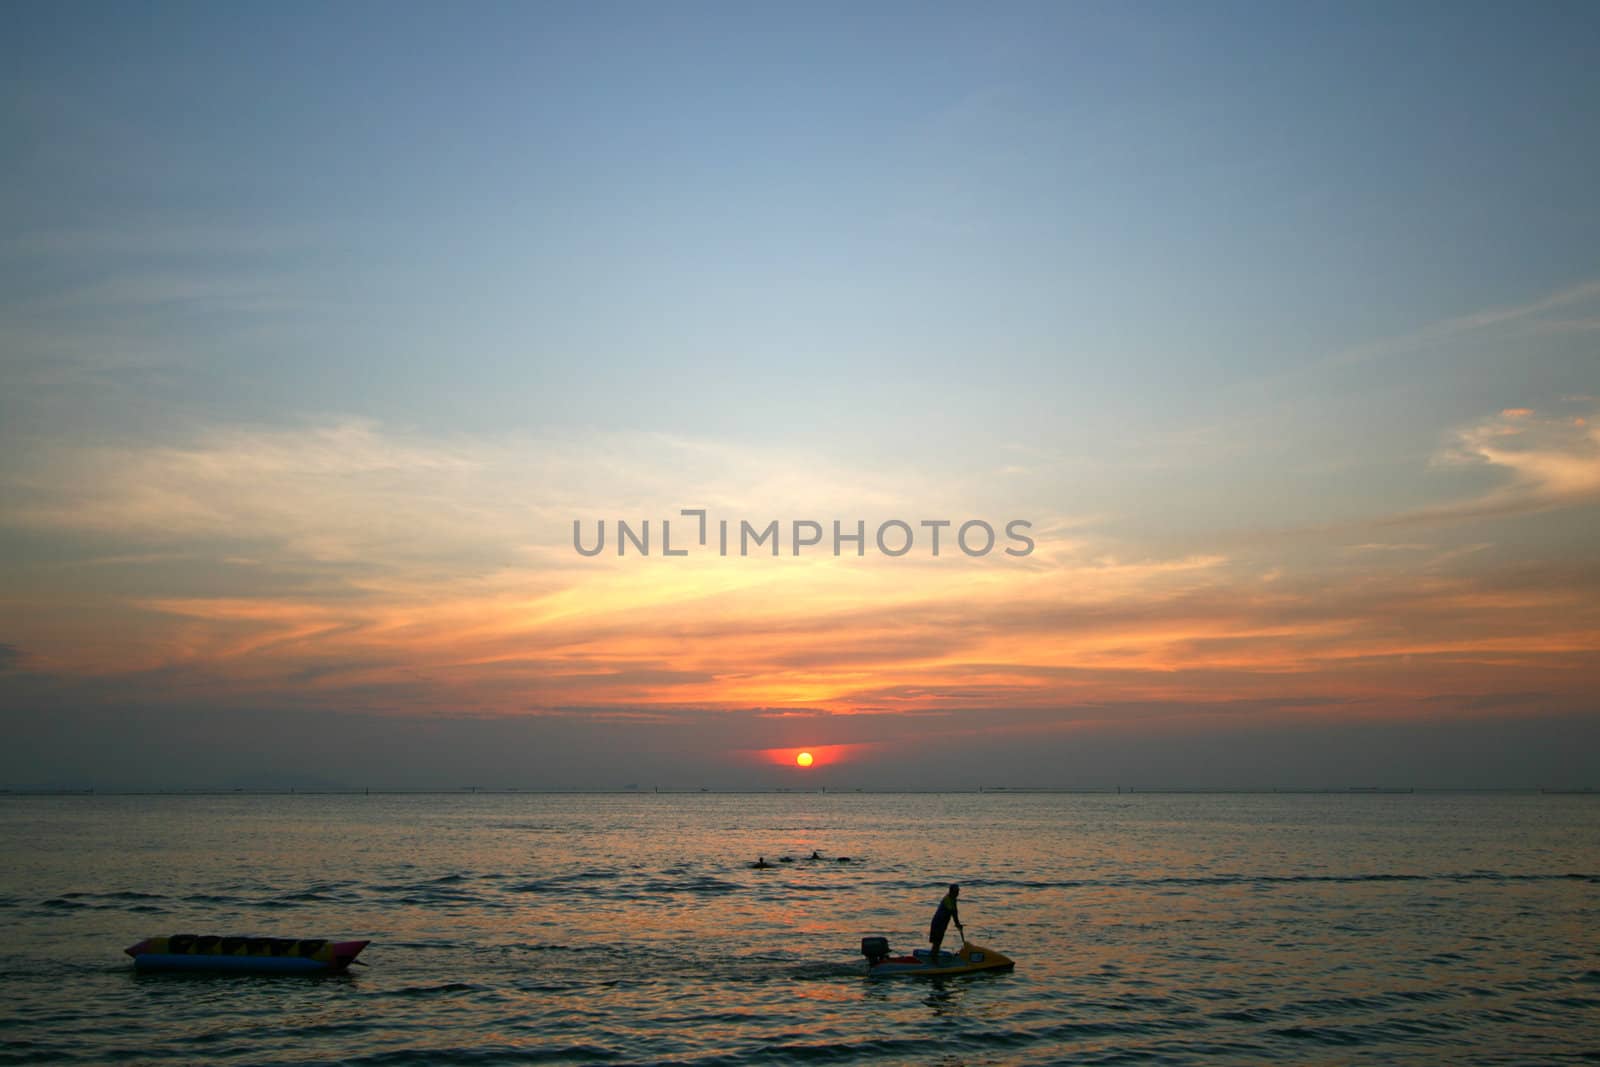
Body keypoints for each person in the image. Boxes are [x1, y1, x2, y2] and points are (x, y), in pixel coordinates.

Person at [928, 883, 963, 964]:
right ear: (951, 892)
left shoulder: (953, 899)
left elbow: (955, 912)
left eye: (958, 891)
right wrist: (957, 923)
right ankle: (933, 960)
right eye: (956, 892)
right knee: (936, 943)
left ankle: (934, 956)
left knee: (938, 942)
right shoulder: (947, 899)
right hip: (938, 923)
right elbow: (952, 912)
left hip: (943, 924)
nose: (958, 893)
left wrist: (958, 923)